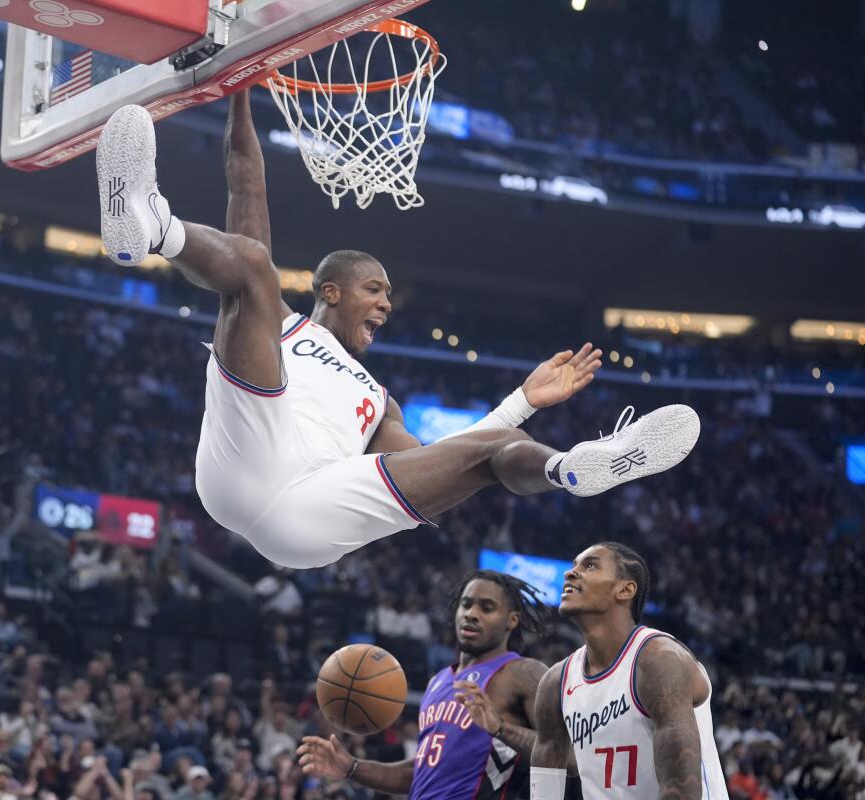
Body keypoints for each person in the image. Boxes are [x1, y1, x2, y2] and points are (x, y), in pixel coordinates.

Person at [94, 94, 700, 570]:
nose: (386, 304)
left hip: (313, 507)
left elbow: (439, 462)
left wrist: (522, 403)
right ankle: (147, 225)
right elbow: (245, 184)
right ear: (330, 291)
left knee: (485, 453)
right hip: (249, 461)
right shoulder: (282, 321)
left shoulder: (381, 401)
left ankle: (570, 468)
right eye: (375, 290)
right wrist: (240, 87)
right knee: (252, 263)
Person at [299, 571, 554, 798]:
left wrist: (500, 729)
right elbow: (418, 773)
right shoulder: (438, 681)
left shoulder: (522, 673)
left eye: (487, 608)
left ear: (511, 620)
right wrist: (352, 767)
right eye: (466, 605)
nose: (471, 614)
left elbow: (564, 753)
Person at [529, 542, 730, 799]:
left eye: (590, 565)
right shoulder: (555, 682)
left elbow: (681, 790)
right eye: (573, 565)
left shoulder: (659, 661)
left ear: (625, 589)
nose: (570, 573)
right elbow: (545, 787)